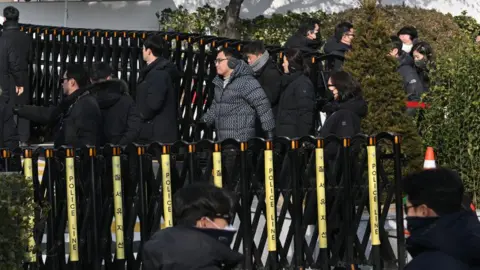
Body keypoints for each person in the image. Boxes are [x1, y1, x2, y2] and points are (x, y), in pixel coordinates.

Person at [143, 184, 243, 270]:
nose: (228, 225)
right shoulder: (207, 258)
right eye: (227, 217)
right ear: (204, 223)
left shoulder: (156, 243)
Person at [403, 168, 480, 270]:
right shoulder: (472, 244)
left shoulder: (425, 265)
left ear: (423, 211)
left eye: (407, 209)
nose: (407, 215)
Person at [14, 64, 101, 148]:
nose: (61, 84)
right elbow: (48, 114)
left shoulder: (85, 104)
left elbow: (87, 140)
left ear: (72, 82)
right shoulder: (72, 102)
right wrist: (19, 109)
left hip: (73, 158)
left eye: (63, 80)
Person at [201, 47, 274, 142]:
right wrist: (205, 121)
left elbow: (263, 106)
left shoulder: (246, 81)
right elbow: (216, 106)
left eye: (219, 60)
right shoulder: (219, 84)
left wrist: (269, 133)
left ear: (232, 62)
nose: (216, 64)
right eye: (216, 61)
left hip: (241, 143)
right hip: (222, 142)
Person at [137, 34, 180, 144]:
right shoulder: (157, 71)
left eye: (143, 49)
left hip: (156, 135)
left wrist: (140, 115)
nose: (142, 52)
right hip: (156, 132)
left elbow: (153, 103)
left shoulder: (158, 74)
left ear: (149, 51)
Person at [89, 62, 140, 145]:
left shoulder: (87, 101)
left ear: (91, 80)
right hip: (121, 152)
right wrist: (119, 146)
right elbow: (134, 128)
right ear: (109, 77)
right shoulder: (126, 100)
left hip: (93, 152)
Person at [1, 6, 32, 145]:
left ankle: (11, 140)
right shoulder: (25, 37)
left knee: (8, 110)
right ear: (18, 19)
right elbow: (31, 57)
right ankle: (24, 139)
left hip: (7, 78)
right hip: (24, 77)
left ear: (5, 19)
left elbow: (10, 62)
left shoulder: (3, 38)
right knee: (24, 109)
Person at [242, 40, 282, 136]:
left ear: (259, 55)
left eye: (249, 57)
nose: (248, 61)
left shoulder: (271, 72)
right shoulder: (257, 72)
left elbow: (269, 98)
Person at [275, 48, 315, 138]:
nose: (282, 64)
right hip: (284, 135)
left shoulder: (303, 84)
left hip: (294, 137)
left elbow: (306, 113)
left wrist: (303, 138)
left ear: (291, 64)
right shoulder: (288, 81)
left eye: (285, 61)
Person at [320, 71, 367, 137]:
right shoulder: (338, 107)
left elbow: (344, 141)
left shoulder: (345, 114)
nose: (328, 89)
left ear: (339, 86)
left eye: (329, 86)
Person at [389, 36, 424, 116]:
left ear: (395, 51)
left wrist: (401, 119)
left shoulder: (407, 72)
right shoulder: (390, 68)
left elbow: (416, 101)